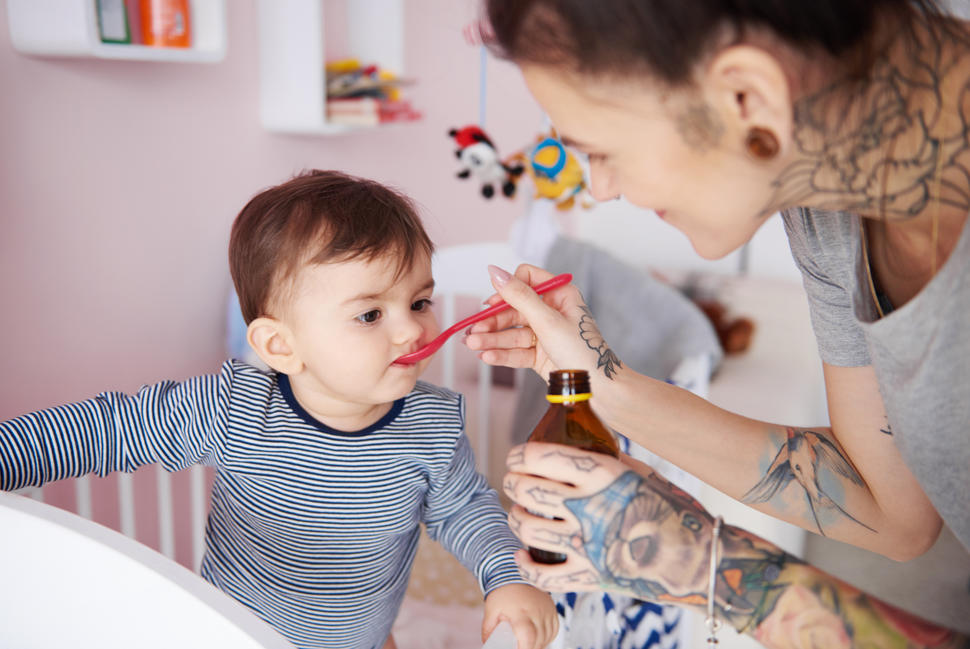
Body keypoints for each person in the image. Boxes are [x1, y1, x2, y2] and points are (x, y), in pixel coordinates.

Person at [463, 0, 970, 645]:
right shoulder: (829, 200)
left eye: (604, 151)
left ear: (747, 97)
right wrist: (606, 385)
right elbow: (892, 510)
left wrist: (704, 565)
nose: (604, 188)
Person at [0, 170, 557, 649]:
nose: (412, 327)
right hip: (231, 637)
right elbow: (106, 430)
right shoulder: (236, 409)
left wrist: (507, 577)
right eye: (370, 315)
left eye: (418, 302)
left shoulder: (428, 425)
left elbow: (466, 510)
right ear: (280, 346)